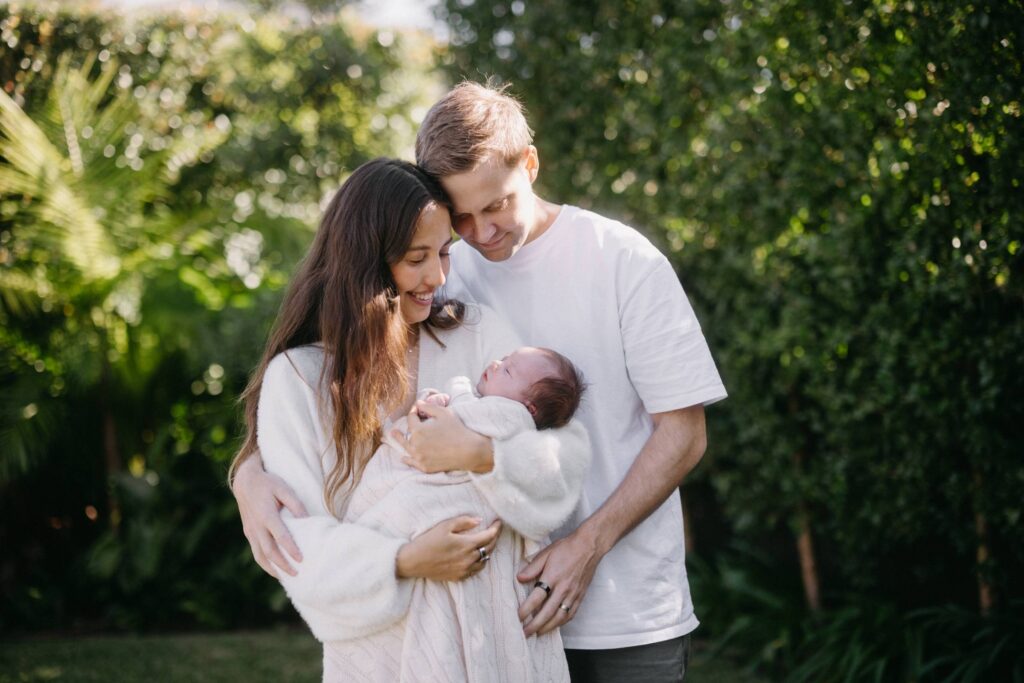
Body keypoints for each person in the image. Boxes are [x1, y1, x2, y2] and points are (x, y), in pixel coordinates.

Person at [236, 82, 727, 682]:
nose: (480, 233)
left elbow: (683, 433)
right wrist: (249, 471)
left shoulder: (620, 258)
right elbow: (333, 370)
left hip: (622, 606)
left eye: (495, 206)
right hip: (490, 625)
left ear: (531, 164)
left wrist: (585, 543)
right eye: (460, 218)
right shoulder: (442, 273)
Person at [230, 157, 588, 681]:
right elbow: (297, 546)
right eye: (417, 258)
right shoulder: (301, 379)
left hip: (502, 642)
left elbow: (566, 459)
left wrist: (482, 455)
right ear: (366, 263)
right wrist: (404, 561)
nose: (438, 276)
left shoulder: (477, 337)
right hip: (384, 658)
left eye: (444, 253)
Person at [417, 346, 586, 431]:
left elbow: (463, 412)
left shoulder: (511, 418)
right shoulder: (482, 402)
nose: (496, 364)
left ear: (528, 408)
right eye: (504, 359)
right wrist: (434, 399)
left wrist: (457, 386)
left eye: (507, 370)